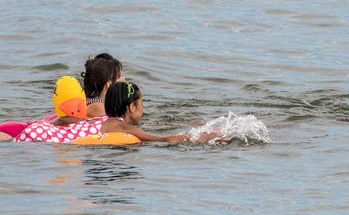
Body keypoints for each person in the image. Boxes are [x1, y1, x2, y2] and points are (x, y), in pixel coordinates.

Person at [15, 82, 220, 144]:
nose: (143, 109)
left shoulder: (101, 117)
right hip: (39, 139)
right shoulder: (119, 126)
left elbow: (67, 120)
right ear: (131, 108)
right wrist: (204, 137)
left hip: (37, 130)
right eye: (141, 104)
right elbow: (162, 139)